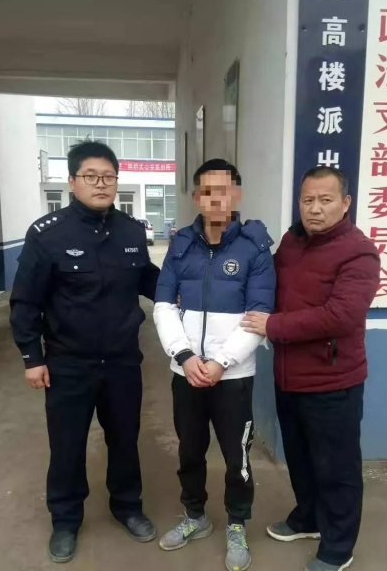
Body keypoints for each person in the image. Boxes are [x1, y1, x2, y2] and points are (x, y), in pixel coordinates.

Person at [10, 141, 160, 563]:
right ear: (72, 181)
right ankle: (65, 520)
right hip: (68, 363)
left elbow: (147, 279)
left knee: (124, 439)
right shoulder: (48, 233)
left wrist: (187, 292)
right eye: (91, 176)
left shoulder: (132, 231)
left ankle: (127, 506)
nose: (101, 184)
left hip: (122, 361)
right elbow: (25, 301)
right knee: (68, 445)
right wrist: (32, 357)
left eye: (109, 177)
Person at [241, 167, 380, 571]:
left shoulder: (358, 252)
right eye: (307, 200)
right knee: (300, 459)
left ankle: (338, 546)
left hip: (333, 382)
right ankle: (309, 518)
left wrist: (273, 326)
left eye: (325, 200)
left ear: (345, 203)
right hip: (289, 378)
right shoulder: (292, 242)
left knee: (336, 468)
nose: (315, 209)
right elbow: (266, 282)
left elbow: (340, 316)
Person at [153, 158, 276, 571]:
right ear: (196, 197)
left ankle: (236, 523)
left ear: (236, 194)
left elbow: (259, 316)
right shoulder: (180, 246)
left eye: (224, 190)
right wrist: (184, 356)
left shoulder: (255, 248)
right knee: (190, 450)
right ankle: (195, 515)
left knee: (236, 456)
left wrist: (222, 362)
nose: (216, 199)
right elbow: (163, 305)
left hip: (233, 377)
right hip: (185, 373)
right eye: (207, 191)